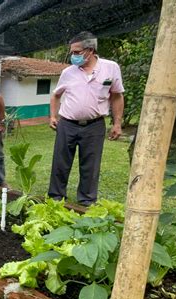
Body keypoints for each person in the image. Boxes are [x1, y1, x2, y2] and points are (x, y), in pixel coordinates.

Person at [48, 31, 124, 206]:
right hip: (67, 123)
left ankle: (87, 201)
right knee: (60, 162)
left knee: (91, 165)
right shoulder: (68, 72)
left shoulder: (110, 68)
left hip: (94, 125)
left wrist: (117, 123)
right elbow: (56, 95)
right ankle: (56, 198)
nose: (72, 56)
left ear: (90, 50)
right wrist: (53, 116)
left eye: (76, 52)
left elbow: (117, 95)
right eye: (72, 52)